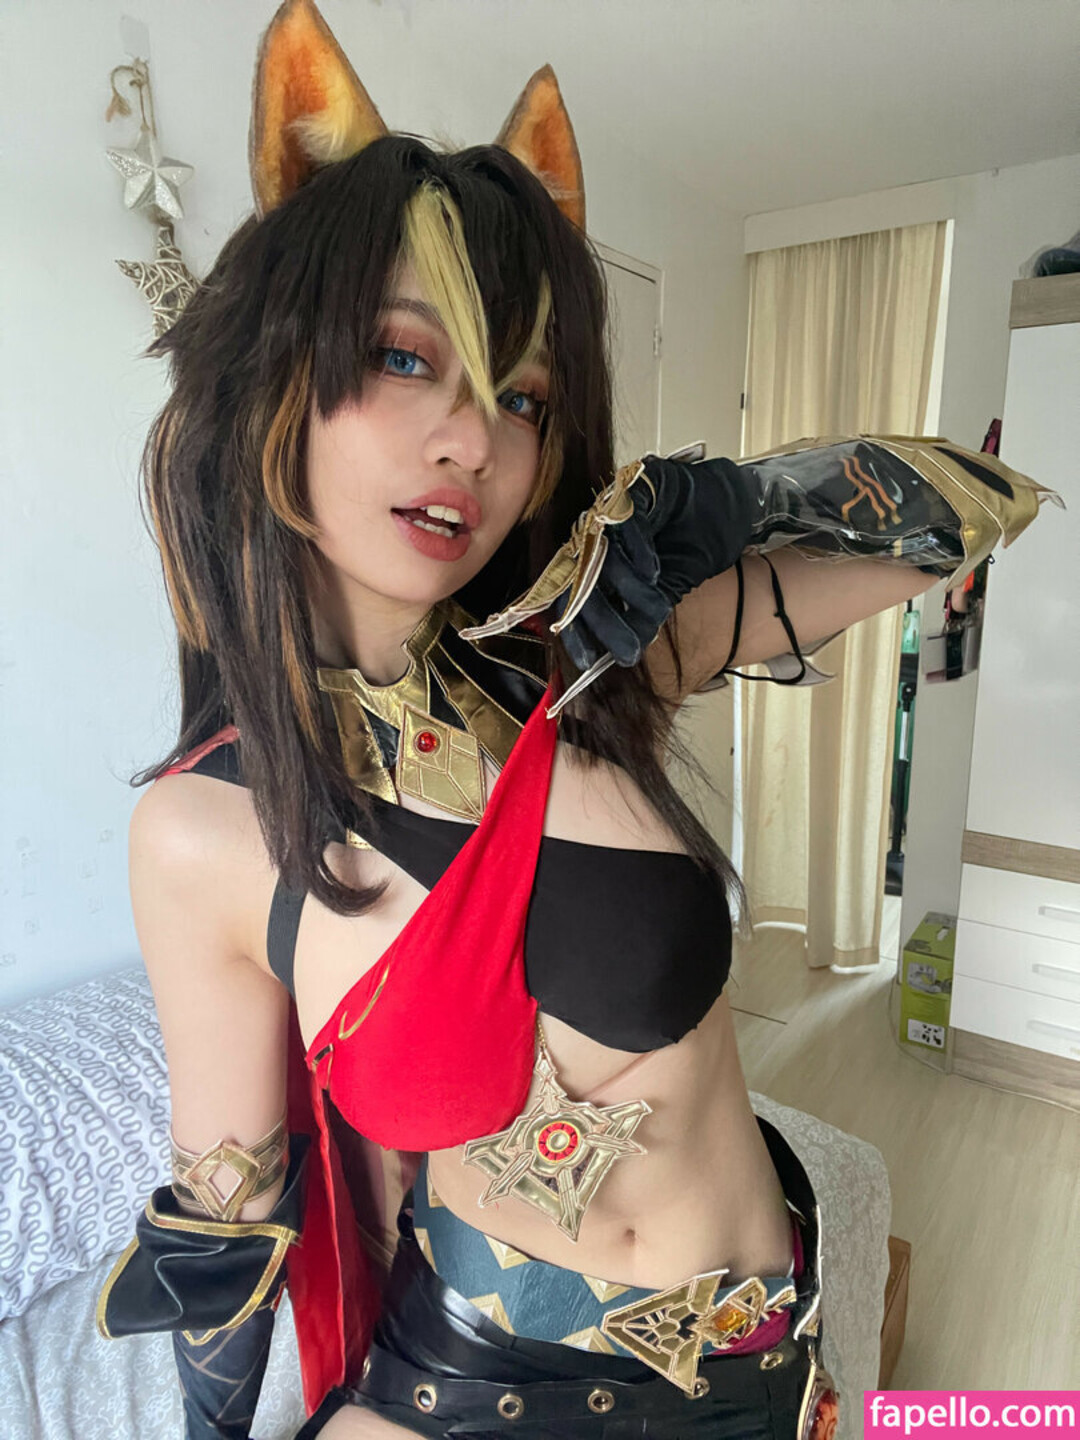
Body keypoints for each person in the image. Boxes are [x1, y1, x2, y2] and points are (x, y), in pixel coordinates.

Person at [95, 2, 1052, 1437]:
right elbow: (225, 1225)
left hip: (772, 1361)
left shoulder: (591, 665)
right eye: (404, 358)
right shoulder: (203, 828)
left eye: (524, 397)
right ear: (275, 377)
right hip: (485, 1391)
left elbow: (966, 514)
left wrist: (731, 501)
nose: (473, 440)